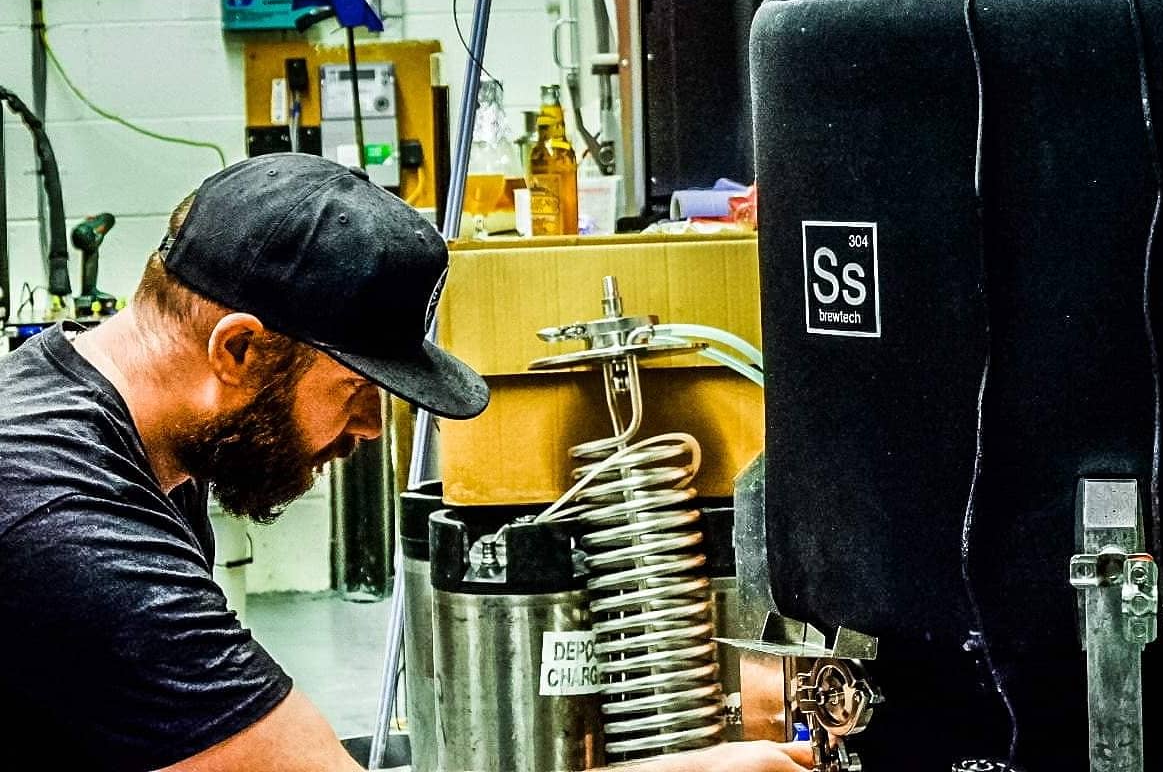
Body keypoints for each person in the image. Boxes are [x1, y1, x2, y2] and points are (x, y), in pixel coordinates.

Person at [0, 154, 813, 772]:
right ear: (239, 347)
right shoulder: (66, 524)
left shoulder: (112, 432)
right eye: (356, 388)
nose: (368, 430)